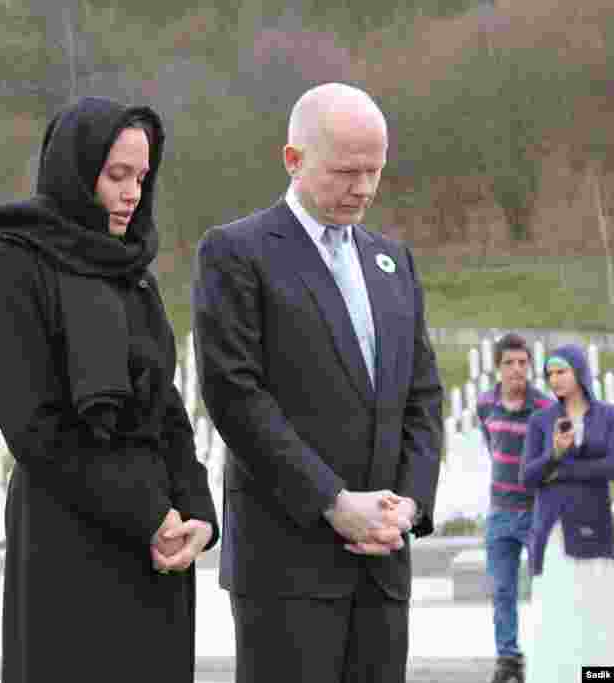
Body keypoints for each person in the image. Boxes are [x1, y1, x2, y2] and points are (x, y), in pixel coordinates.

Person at [192, 82, 443, 683]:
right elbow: (234, 393)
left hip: (382, 562)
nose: (362, 188)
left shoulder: (393, 262)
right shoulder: (237, 252)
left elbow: (423, 396)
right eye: (345, 171)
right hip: (287, 566)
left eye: (374, 171)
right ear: (294, 159)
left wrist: (407, 504)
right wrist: (333, 502)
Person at [0, 97, 218, 683]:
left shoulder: (130, 270)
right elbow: (34, 428)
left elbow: (166, 407)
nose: (133, 193)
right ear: (76, 172)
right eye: (117, 175)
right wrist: (147, 511)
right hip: (69, 537)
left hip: (157, 545)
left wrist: (198, 514)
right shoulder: (10, 269)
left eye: (142, 177)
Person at [520, 345, 614, 682]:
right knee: (555, 610)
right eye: (550, 374)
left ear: (579, 371)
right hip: (552, 527)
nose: (555, 379)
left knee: (595, 610)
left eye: (561, 371)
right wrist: (555, 453)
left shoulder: (609, 416)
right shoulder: (541, 420)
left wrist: (562, 470)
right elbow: (528, 476)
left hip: (593, 525)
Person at [476, 333, 552, 683]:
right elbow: (492, 446)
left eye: (523, 363)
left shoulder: (544, 407)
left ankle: (547, 653)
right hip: (499, 513)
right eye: (509, 363)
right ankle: (508, 660)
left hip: (536, 511)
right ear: (498, 367)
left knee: (545, 587)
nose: (517, 369)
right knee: (502, 590)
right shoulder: (484, 404)